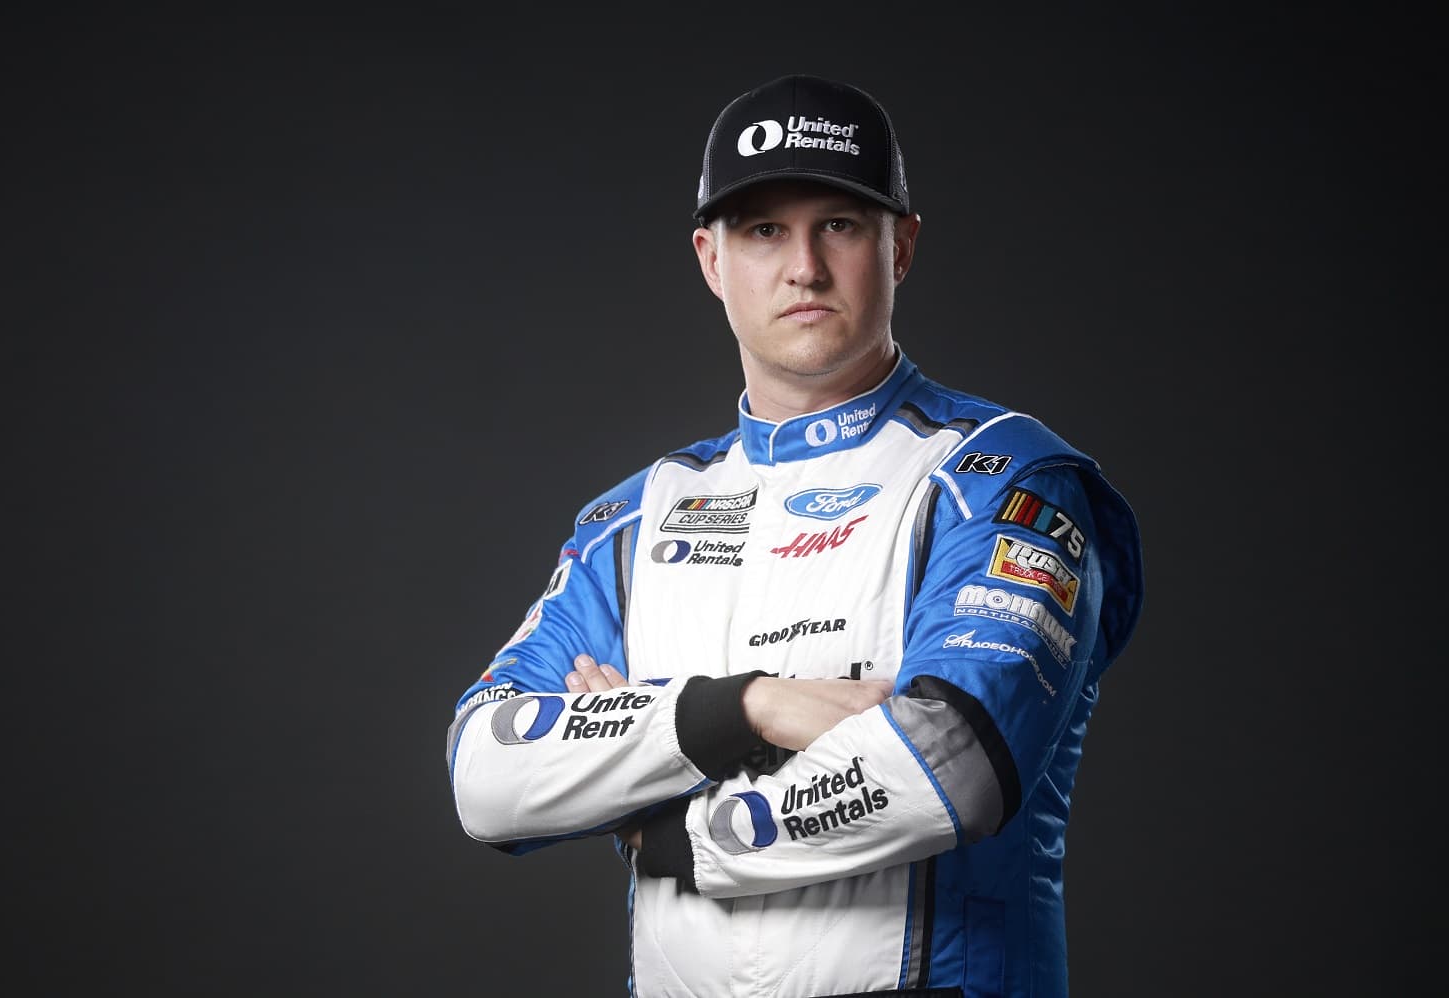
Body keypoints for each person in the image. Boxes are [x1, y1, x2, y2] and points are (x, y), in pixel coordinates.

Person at [446, 73, 1144, 998]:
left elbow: (953, 760)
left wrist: (662, 823)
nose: (803, 267)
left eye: (841, 226)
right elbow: (486, 776)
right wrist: (741, 710)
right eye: (764, 230)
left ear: (901, 246)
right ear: (711, 258)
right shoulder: (637, 518)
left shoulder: (1002, 478)